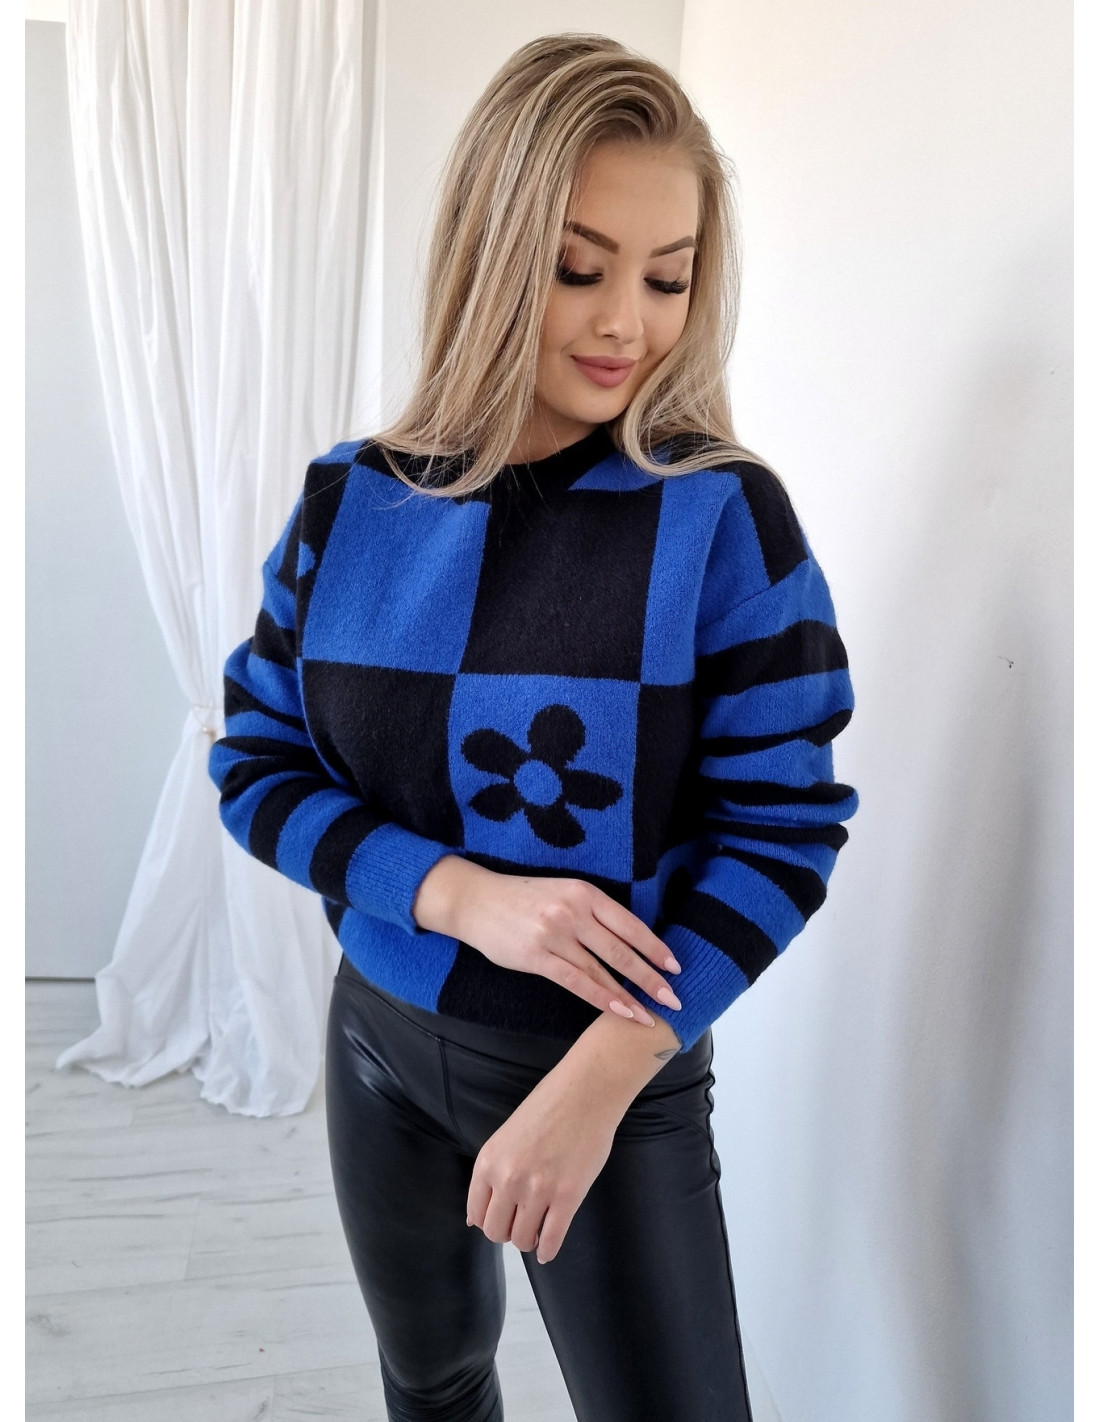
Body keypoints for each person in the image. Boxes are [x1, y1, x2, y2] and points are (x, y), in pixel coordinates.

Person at [208, 32, 858, 1422]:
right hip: (379, 1037)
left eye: (667, 277)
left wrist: (601, 1080)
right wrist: (462, 897)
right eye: (579, 267)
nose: (627, 323)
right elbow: (253, 761)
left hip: (608, 1071)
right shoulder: (348, 502)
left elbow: (786, 834)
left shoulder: (722, 519)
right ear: (491, 255)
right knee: (435, 1384)